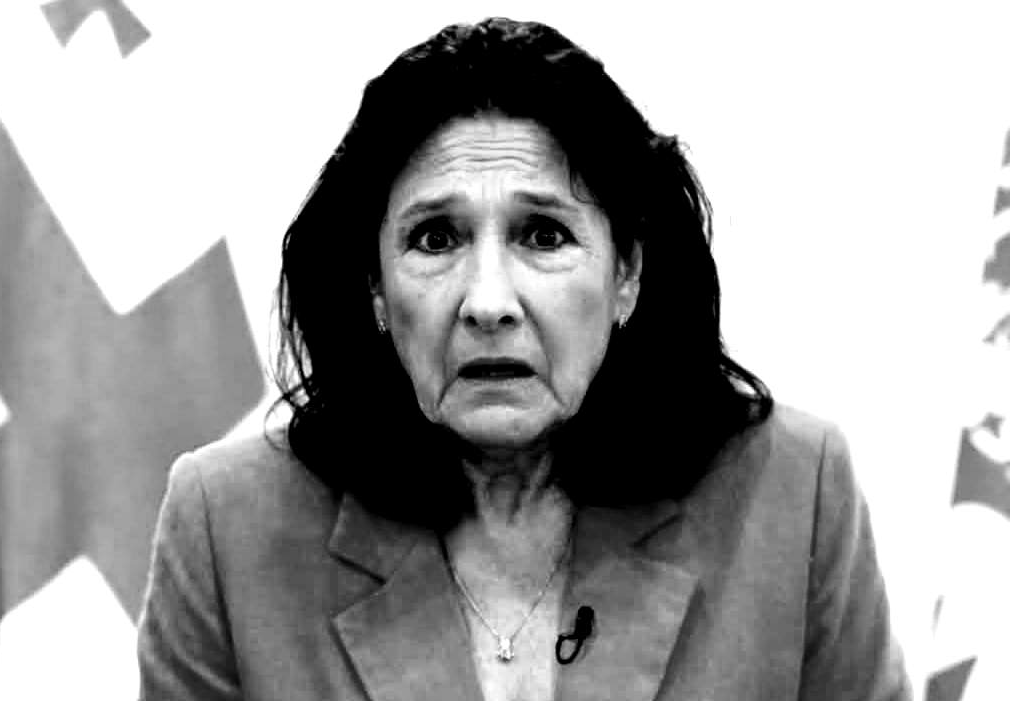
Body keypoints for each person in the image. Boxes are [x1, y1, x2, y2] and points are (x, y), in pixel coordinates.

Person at [136, 17, 910, 701]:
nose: (488, 302)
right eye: (436, 238)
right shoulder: (228, 527)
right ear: (374, 286)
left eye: (543, 235)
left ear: (627, 274)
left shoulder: (792, 494)